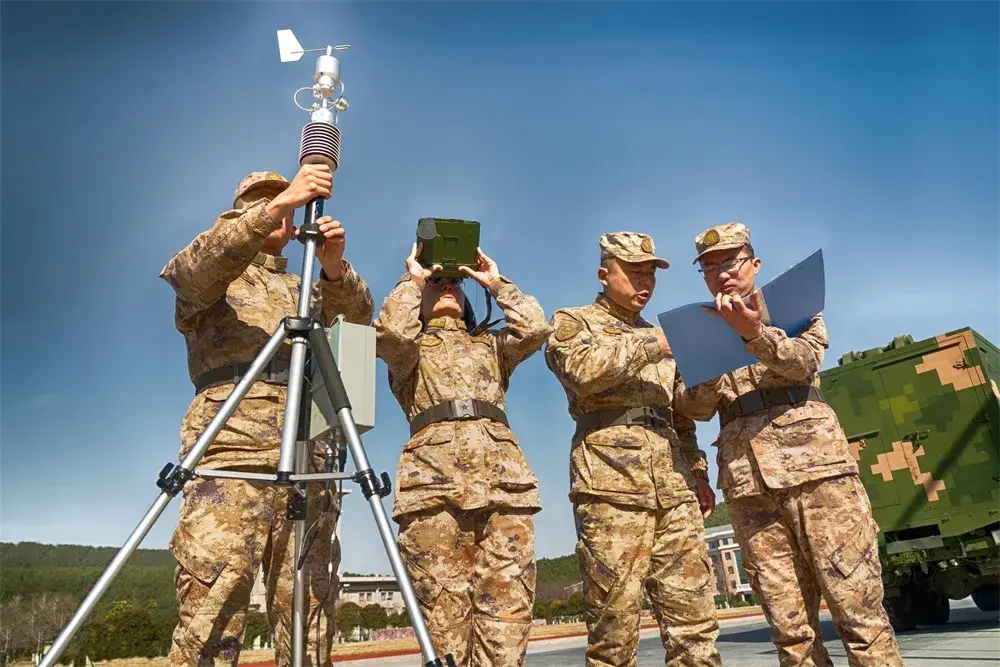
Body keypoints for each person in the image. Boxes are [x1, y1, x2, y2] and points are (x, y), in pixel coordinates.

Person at [158, 164, 374, 667]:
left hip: (308, 451)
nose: (280, 206)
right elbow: (192, 269)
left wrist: (335, 268)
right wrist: (278, 204)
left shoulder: (306, 289)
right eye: (262, 200)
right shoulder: (215, 280)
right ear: (239, 213)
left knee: (309, 606)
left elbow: (361, 324)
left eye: (287, 201)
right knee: (213, 600)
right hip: (231, 449)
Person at [675, 221, 905, 667]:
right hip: (750, 491)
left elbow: (804, 363)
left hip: (819, 479)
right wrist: (701, 366)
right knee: (790, 632)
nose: (720, 273)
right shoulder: (698, 331)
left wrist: (754, 333)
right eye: (708, 267)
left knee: (859, 614)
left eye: (730, 261)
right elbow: (694, 408)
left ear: (754, 264)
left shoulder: (796, 310)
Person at [543, 231, 722, 667]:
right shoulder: (575, 322)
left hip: (674, 488)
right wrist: (657, 344)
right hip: (611, 487)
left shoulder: (666, 338)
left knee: (695, 625)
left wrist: (711, 366)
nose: (645, 283)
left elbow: (686, 415)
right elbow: (582, 372)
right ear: (605, 274)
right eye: (634, 272)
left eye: (651, 275)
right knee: (614, 628)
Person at [373, 242, 551, 666]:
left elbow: (536, 329)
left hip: (504, 489)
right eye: (438, 281)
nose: (448, 286)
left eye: (455, 280)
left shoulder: (490, 346)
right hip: (433, 491)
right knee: (444, 624)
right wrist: (411, 279)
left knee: (507, 622)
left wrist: (494, 281)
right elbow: (390, 333)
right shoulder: (408, 351)